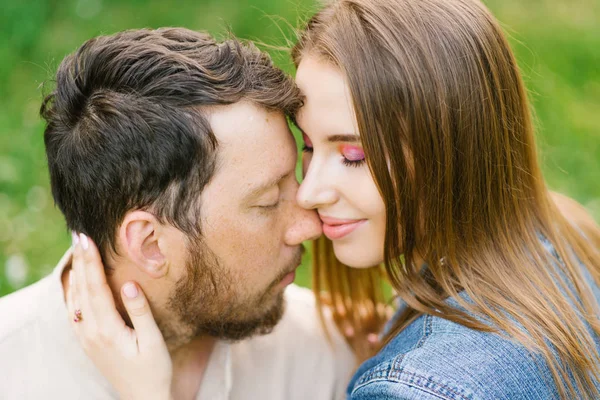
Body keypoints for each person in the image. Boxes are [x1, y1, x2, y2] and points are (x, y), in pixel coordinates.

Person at [66, 0, 600, 399]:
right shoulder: (564, 239)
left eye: (354, 154)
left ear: (452, 149)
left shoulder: (423, 388)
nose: (313, 193)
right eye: (309, 147)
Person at [0, 28, 355, 400]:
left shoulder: (329, 354)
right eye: (267, 202)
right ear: (150, 244)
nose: (310, 225)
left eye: (294, 181)